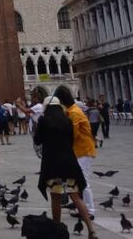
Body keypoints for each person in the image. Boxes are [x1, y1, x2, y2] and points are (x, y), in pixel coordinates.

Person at [35, 96, 96, 238]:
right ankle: (91, 229)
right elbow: (71, 139)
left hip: (53, 165)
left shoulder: (44, 120)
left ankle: (57, 230)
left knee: (56, 197)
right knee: (75, 196)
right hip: (69, 163)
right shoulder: (68, 121)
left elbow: (37, 140)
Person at [57, 86, 96, 219]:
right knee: (79, 182)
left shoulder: (74, 113)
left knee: (83, 181)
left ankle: (89, 211)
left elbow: (72, 134)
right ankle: (83, 208)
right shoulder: (71, 111)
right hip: (79, 150)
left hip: (84, 151)